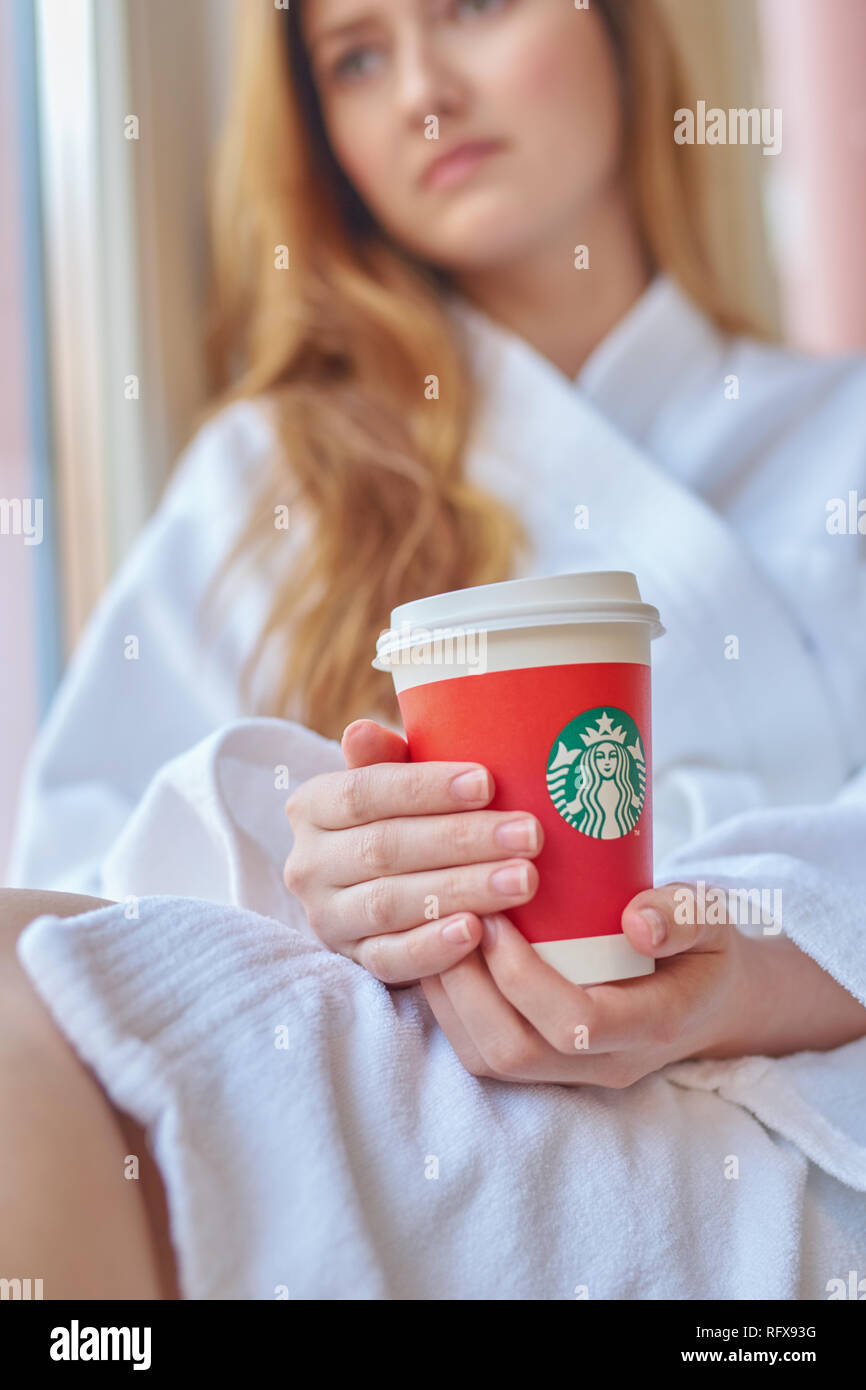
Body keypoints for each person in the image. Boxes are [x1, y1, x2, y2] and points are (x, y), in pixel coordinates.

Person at [4, 0, 866, 1300]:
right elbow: (74, 884)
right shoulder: (270, 479)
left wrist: (757, 961)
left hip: (775, 1128)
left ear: (625, 30)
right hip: (401, 1101)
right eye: (354, 55)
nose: (418, 91)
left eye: (468, 8)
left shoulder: (841, 439)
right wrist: (306, 865)